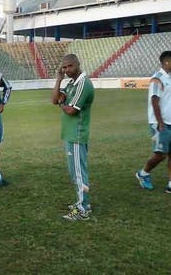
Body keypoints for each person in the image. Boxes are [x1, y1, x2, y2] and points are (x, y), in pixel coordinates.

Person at [52, 54, 95, 221]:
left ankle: (83, 209)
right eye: (64, 67)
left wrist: (63, 104)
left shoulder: (83, 83)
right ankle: (83, 202)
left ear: (78, 64)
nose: (66, 70)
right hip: (70, 134)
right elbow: (54, 99)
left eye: (69, 66)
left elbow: (71, 110)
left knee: (78, 173)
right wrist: (58, 80)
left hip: (77, 134)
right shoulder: (71, 83)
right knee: (75, 171)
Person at [135, 51, 171, 194]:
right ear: (166, 62)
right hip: (160, 123)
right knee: (160, 154)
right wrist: (160, 122)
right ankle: (143, 173)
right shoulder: (157, 79)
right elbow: (154, 101)